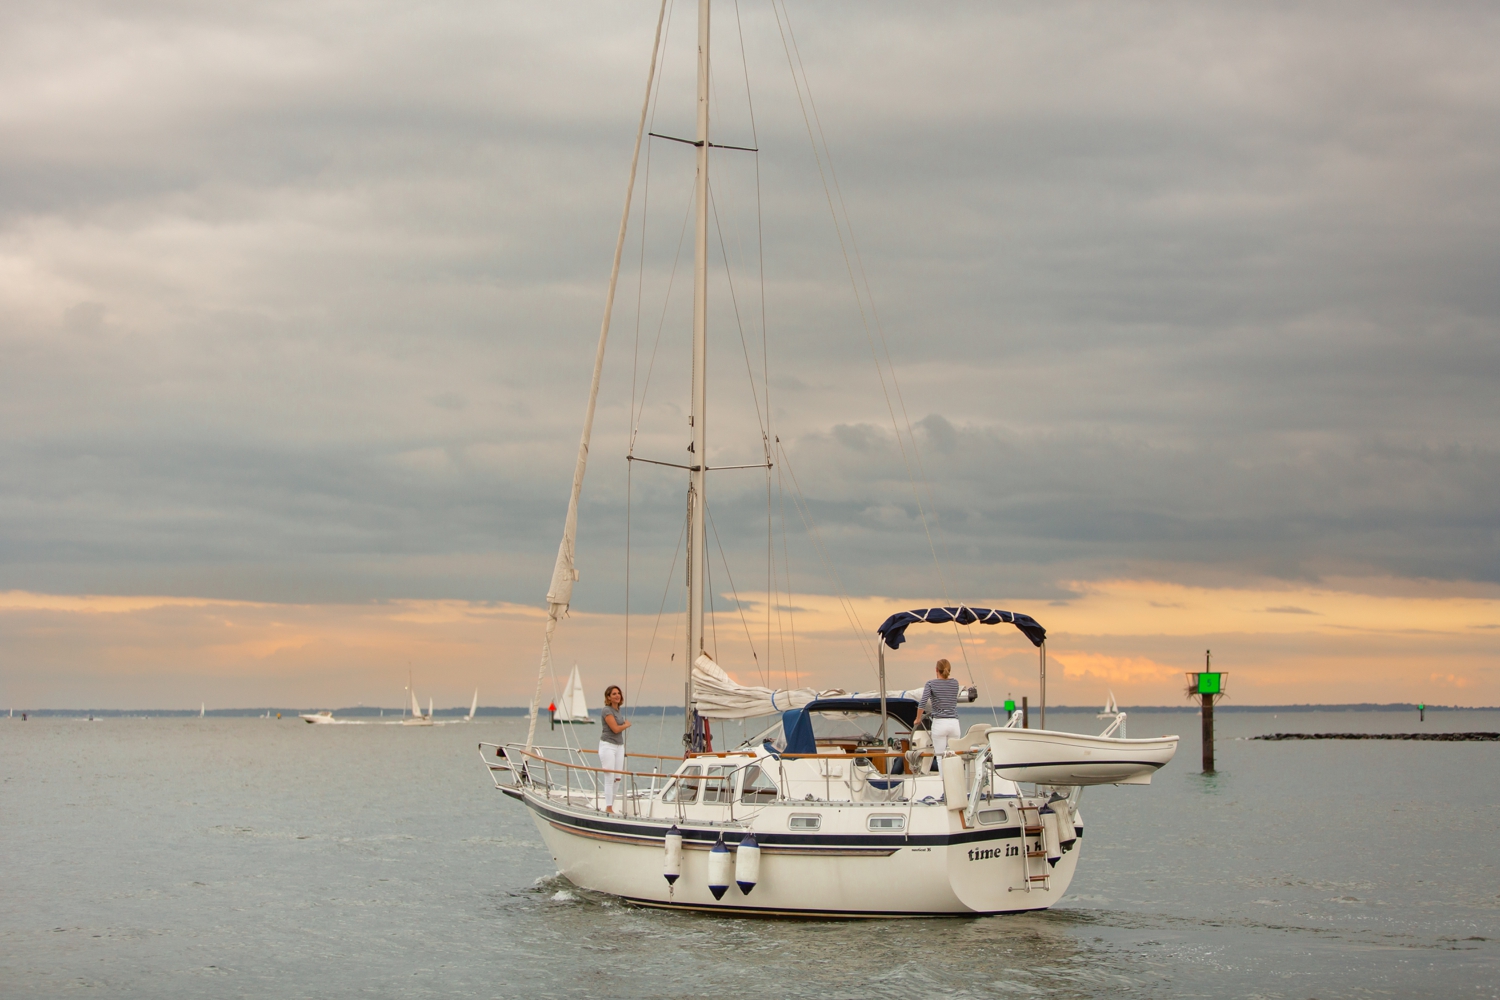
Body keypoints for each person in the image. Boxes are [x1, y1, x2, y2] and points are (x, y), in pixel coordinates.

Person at [914, 658, 961, 768]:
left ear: (936, 669)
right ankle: (953, 783)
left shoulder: (931, 684)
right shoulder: (955, 683)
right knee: (953, 757)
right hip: (954, 724)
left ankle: (943, 783)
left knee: (940, 757)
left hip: (940, 723)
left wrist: (918, 719)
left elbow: (923, 703)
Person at [599, 685, 631, 813]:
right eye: (613, 694)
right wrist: (626, 725)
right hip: (608, 746)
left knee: (618, 778)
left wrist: (623, 724)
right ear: (608, 697)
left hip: (619, 746)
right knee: (609, 776)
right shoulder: (607, 710)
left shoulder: (618, 710)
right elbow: (615, 729)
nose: (617, 695)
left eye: (618, 693)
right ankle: (608, 807)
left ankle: (610, 805)